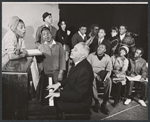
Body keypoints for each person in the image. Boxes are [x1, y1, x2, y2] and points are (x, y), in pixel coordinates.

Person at [45, 42, 94, 114]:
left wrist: (59, 94)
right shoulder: (78, 63)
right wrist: (58, 84)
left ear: (82, 55)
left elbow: (79, 95)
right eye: (73, 48)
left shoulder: (85, 70)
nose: (72, 50)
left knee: (53, 107)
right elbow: (70, 78)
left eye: (75, 50)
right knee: (50, 99)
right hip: (74, 95)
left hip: (81, 103)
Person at [37, 27, 66, 104]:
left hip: (56, 72)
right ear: (42, 37)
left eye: (48, 33)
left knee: (58, 91)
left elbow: (62, 59)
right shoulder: (40, 47)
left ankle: (59, 107)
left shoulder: (59, 45)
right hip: (46, 72)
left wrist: (61, 72)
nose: (46, 35)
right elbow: (39, 61)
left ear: (51, 34)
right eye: (44, 34)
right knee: (47, 91)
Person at [87, 44, 112, 115]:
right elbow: (88, 68)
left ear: (105, 50)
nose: (99, 49)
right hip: (92, 73)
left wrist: (105, 77)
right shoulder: (91, 56)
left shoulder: (107, 57)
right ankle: (96, 102)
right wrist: (95, 75)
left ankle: (104, 103)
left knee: (109, 81)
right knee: (92, 80)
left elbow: (109, 70)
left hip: (102, 74)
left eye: (102, 48)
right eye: (98, 47)